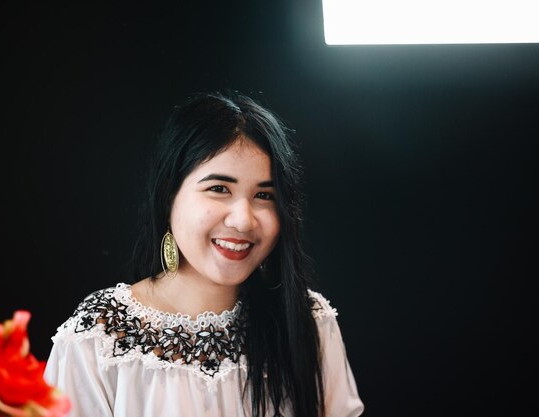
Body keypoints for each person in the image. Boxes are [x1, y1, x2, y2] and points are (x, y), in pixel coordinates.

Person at [44, 92, 364, 417]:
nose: (243, 219)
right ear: (170, 196)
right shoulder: (98, 340)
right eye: (219, 188)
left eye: (264, 195)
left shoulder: (307, 321)